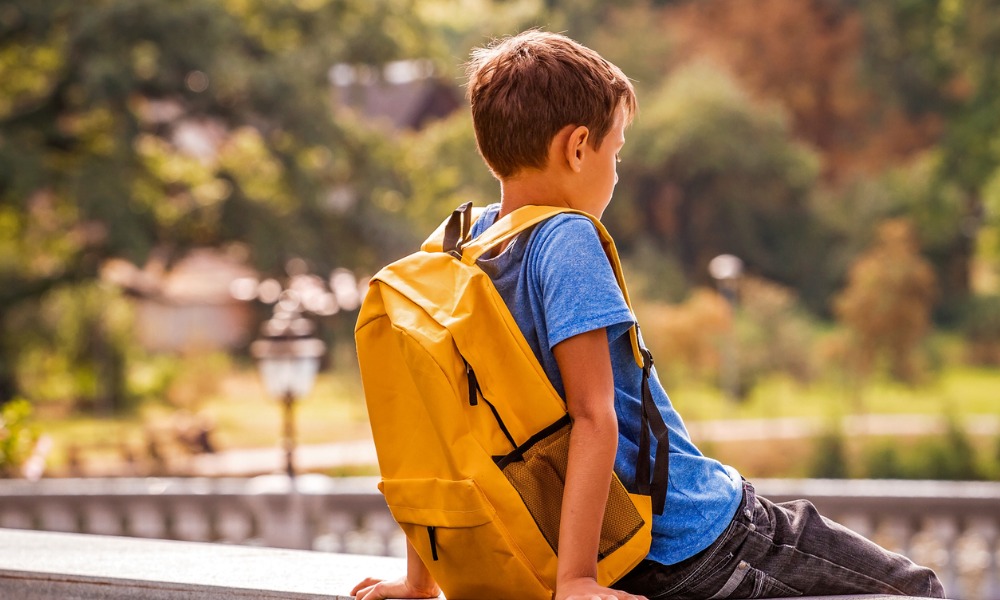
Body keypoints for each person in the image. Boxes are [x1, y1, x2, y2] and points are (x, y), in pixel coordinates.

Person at [352, 29, 945, 600]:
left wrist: (425, 577)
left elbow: (437, 429)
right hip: (693, 537)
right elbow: (594, 417)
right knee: (916, 589)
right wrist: (577, 582)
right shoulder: (565, 239)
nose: (615, 172)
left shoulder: (457, 244)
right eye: (616, 152)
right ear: (577, 147)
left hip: (590, 549)